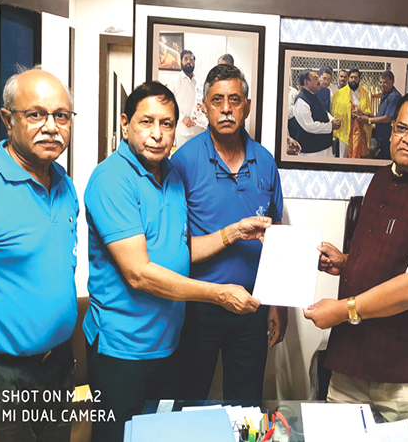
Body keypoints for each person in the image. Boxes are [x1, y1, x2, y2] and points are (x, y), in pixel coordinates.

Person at [83, 82, 271, 442]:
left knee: (164, 436)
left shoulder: (170, 175)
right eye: (146, 122)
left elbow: (181, 252)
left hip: (169, 345)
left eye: (166, 124)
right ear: (125, 124)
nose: (157, 134)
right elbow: (139, 274)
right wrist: (219, 294)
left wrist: (234, 232)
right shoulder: (111, 179)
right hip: (123, 351)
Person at [305, 88, 408, 425]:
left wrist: (341, 310)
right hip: (352, 362)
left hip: (407, 378)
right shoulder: (382, 178)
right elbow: (393, 256)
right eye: (401, 128)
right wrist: (348, 262)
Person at [0, 67, 78, 441]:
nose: (51, 127)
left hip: (56, 370)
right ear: (8, 120)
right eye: (36, 114)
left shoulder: (65, 185)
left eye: (61, 116)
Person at [171, 64, 287, 402]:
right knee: (189, 399)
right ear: (204, 107)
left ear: (247, 107)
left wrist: (278, 305)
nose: (226, 109)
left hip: (253, 305)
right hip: (199, 304)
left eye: (234, 100)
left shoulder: (265, 161)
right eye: (217, 100)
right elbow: (174, 245)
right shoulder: (183, 161)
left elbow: (277, 236)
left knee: (246, 404)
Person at [293, 70, 341, 157]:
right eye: (315, 79)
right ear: (306, 82)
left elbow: (323, 111)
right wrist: (330, 126)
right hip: (312, 151)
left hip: (325, 146)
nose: (319, 81)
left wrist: (332, 120)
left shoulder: (313, 95)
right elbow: (309, 126)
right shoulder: (301, 101)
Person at [168, 49, 207, 148]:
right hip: (182, 130)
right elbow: (170, 104)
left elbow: (202, 104)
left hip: (198, 130)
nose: (189, 61)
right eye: (186, 59)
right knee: (182, 156)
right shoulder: (174, 81)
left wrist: (205, 122)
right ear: (181, 61)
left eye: (191, 59)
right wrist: (182, 118)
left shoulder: (199, 83)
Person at [332, 68, 373, 158]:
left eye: (356, 78)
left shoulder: (364, 93)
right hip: (344, 128)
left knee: (358, 155)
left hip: (359, 129)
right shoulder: (339, 94)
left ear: (359, 79)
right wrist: (348, 113)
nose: (353, 80)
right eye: (351, 77)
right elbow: (335, 112)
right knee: (343, 155)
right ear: (348, 78)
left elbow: (369, 112)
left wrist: (361, 113)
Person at [365, 70, 402, 159]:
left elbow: (387, 118)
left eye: (385, 82)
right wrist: (365, 115)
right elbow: (380, 115)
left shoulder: (394, 96)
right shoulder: (384, 94)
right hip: (381, 136)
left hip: (388, 137)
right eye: (380, 82)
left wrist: (368, 120)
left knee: (387, 161)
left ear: (392, 82)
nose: (382, 85)